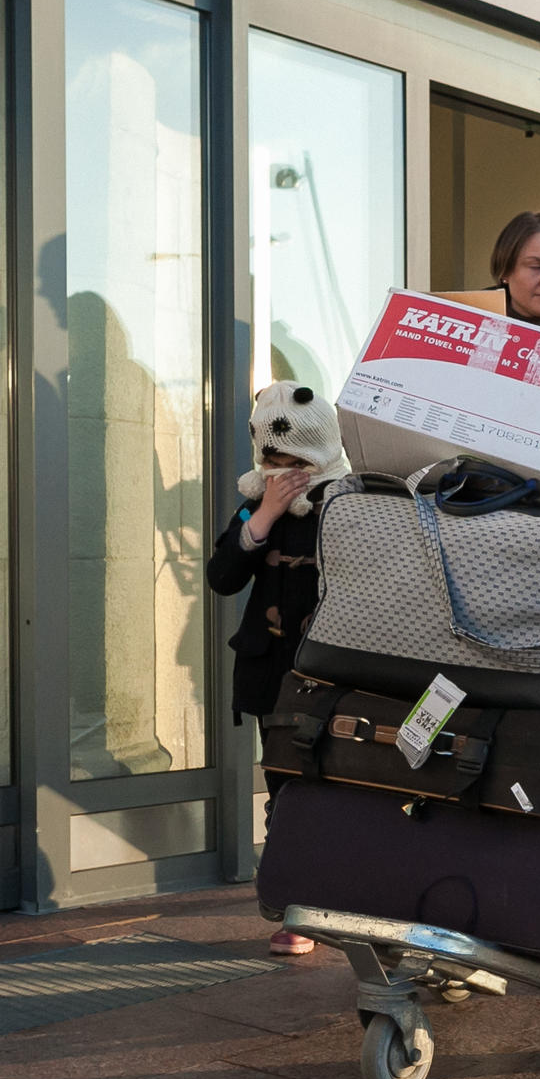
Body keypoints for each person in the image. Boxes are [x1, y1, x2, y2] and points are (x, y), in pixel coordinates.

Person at [207, 381, 350, 956]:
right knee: (284, 789)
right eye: (273, 461)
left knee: (338, 785)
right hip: (272, 672)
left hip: (335, 673)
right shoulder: (254, 502)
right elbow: (223, 578)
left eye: (296, 463)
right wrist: (263, 515)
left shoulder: (346, 500)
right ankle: (295, 911)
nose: (285, 473)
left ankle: (341, 898)